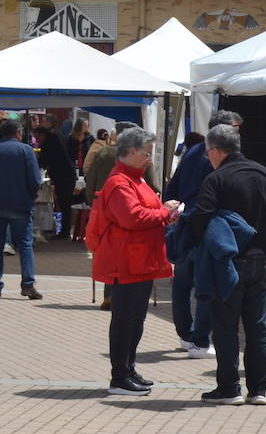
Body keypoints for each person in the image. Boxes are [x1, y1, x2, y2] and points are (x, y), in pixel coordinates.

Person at [189, 124, 266, 405]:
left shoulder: (217, 179)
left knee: (226, 325)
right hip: (262, 259)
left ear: (217, 151)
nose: (208, 158)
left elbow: (201, 218)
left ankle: (229, 388)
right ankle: (258, 390)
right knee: (258, 326)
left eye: (208, 153)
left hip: (228, 262)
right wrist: (264, 245)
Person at [91, 127, 180, 395]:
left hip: (139, 259)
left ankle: (127, 369)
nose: (150, 159)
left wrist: (165, 212)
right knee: (125, 319)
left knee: (135, 319)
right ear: (130, 152)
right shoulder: (120, 182)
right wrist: (165, 212)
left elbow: (143, 212)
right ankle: (119, 376)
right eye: (147, 153)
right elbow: (133, 217)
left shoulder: (134, 179)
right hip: (126, 260)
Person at [165, 112, 243, 359]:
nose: (239, 134)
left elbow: (173, 185)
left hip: (187, 221)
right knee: (204, 281)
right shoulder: (215, 156)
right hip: (205, 223)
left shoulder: (192, 152)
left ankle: (186, 336)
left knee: (183, 281)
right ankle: (199, 340)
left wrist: (175, 205)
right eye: (236, 129)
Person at [0, 119, 44, 300]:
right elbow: (36, 181)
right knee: (25, 244)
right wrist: (30, 195)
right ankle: (28, 284)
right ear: (18, 133)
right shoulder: (26, 150)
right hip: (20, 205)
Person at [84, 121, 135, 310]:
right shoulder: (136, 154)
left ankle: (109, 295)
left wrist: (91, 201)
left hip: (103, 208)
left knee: (107, 251)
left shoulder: (104, 153)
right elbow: (151, 183)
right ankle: (123, 294)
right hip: (129, 207)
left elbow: (91, 178)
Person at [35, 121, 75, 238]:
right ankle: (64, 230)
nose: (37, 141)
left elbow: (43, 160)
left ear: (43, 135)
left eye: (38, 138)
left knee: (64, 203)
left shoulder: (50, 143)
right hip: (65, 175)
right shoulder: (55, 139)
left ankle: (65, 232)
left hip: (64, 176)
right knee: (64, 203)